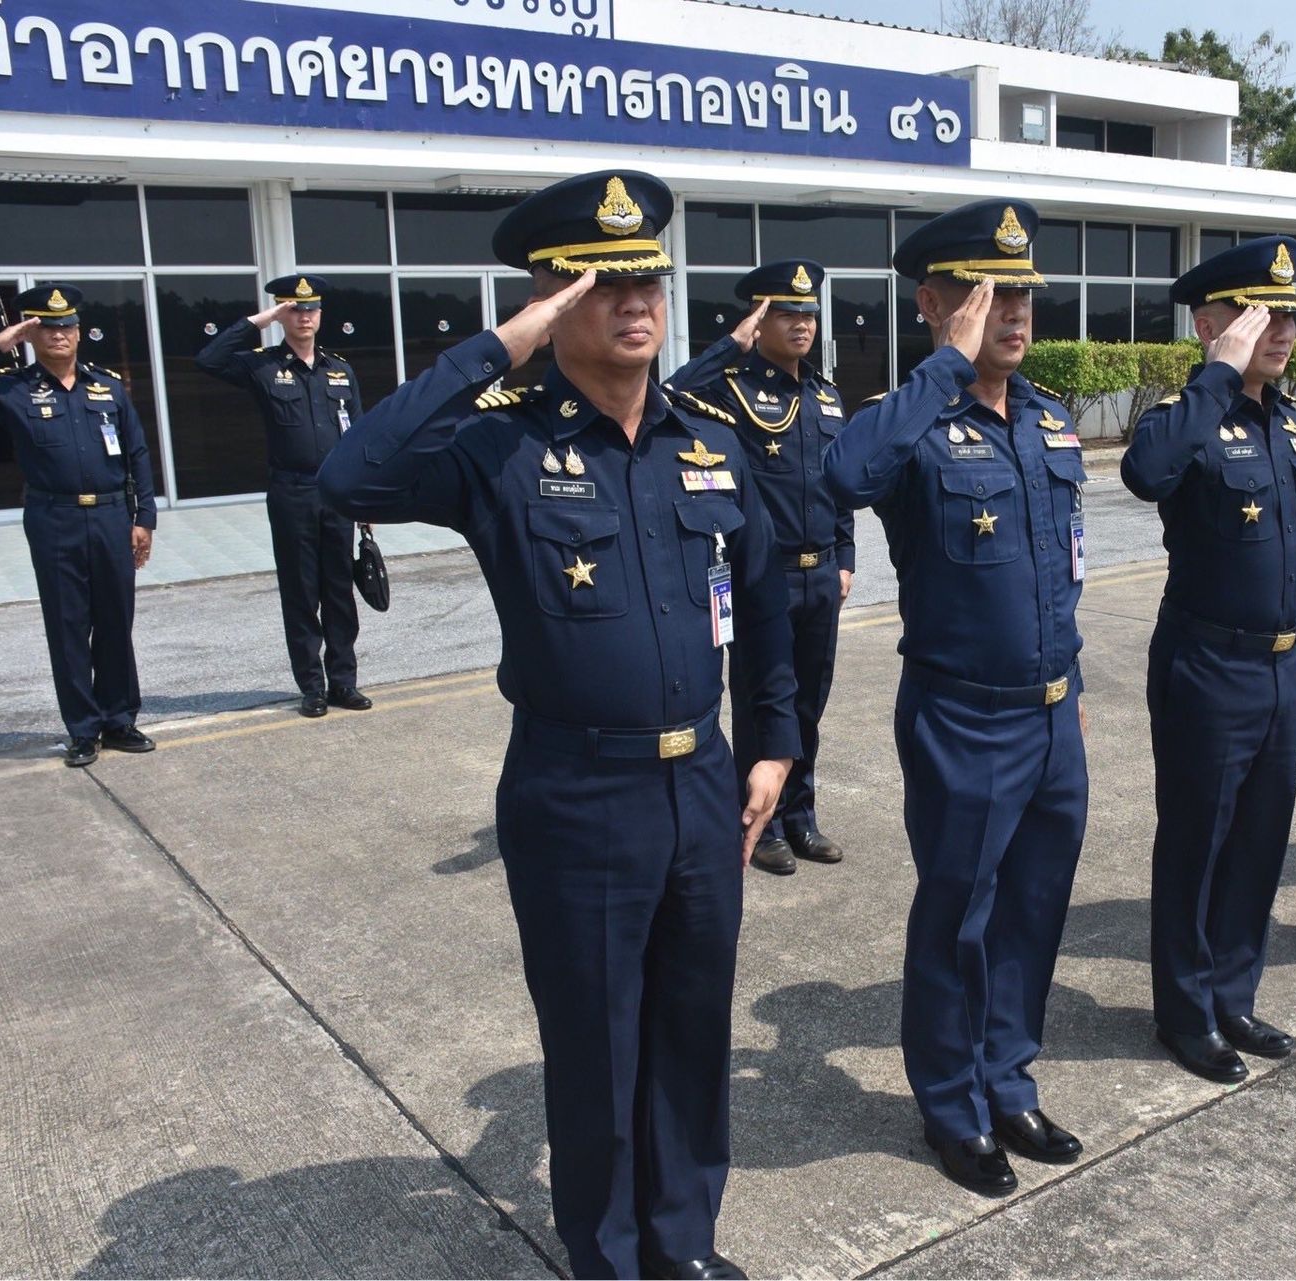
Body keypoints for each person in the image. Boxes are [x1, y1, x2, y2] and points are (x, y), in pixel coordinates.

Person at [317, 169, 795, 1281]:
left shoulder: (708, 443)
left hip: (703, 786)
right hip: (577, 796)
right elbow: (348, 476)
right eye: (602, 285)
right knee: (597, 1050)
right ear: (550, 299)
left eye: (649, 283)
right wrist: (500, 348)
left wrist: (774, 742)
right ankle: (610, 1260)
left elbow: (768, 599)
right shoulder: (500, 447)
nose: (635, 304)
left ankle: (682, 1245)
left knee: (691, 1036)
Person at [824, 199, 1089, 1194]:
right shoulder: (914, 423)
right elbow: (846, 473)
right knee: (958, 917)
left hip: (1053, 713)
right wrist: (946, 364)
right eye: (984, 295)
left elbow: (1062, 571)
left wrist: (1069, 687)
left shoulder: (1050, 421)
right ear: (932, 303)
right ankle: (952, 1106)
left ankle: (1007, 1081)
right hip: (964, 717)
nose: (1010, 313)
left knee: (1033, 912)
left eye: (1020, 294)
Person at [1122, 236, 1296, 1084]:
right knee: (1197, 845)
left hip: (1279, 669)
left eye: (1288, 315)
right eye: (1259, 316)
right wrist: (1218, 374)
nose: (1282, 330)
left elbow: (1295, 546)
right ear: (1211, 326)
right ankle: (1185, 1012)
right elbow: (1146, 473)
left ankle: (1233, 995)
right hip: (1207, 666)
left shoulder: (1287, 420)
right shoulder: (1184, 416)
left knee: (1259, 843)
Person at [666, 260, 855, 876]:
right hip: (760, 577)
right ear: (758, 319)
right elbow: (669, 396)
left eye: (809, 314)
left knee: (808, 703)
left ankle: (799, 815)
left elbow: (838, 485)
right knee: (759, 701)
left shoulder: (825, 395)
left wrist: (846, 556)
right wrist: (732, 345)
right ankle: (759, 822)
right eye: (786, 313)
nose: (802, 325)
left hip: (821, 574)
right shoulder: (731, 388)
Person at [0, 285, 156, 766]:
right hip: (54, 519)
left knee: (115, 621)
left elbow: (137, 452)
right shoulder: (11, 389)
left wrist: (144, 517)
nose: (58, 335)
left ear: (78, 331)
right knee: (68, 626)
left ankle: (119, 720)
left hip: (112, 516)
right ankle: (84, 729)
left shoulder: (107, 386)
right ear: (31, 334)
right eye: (46, 327)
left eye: (66, 326)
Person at [198, 274, 371, 717]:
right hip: (292, 492)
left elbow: (358, 435)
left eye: (311, 308)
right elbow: (209, 359)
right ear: (281, 313)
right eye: (294, 309)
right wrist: (259, 320)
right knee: (301, 591)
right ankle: (312, 687)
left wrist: (364, 496)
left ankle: (344, 682)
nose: (304, 316)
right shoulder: (262, 366)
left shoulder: (339, 369)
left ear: (321, 313)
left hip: (337, 492)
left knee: (339, 590)